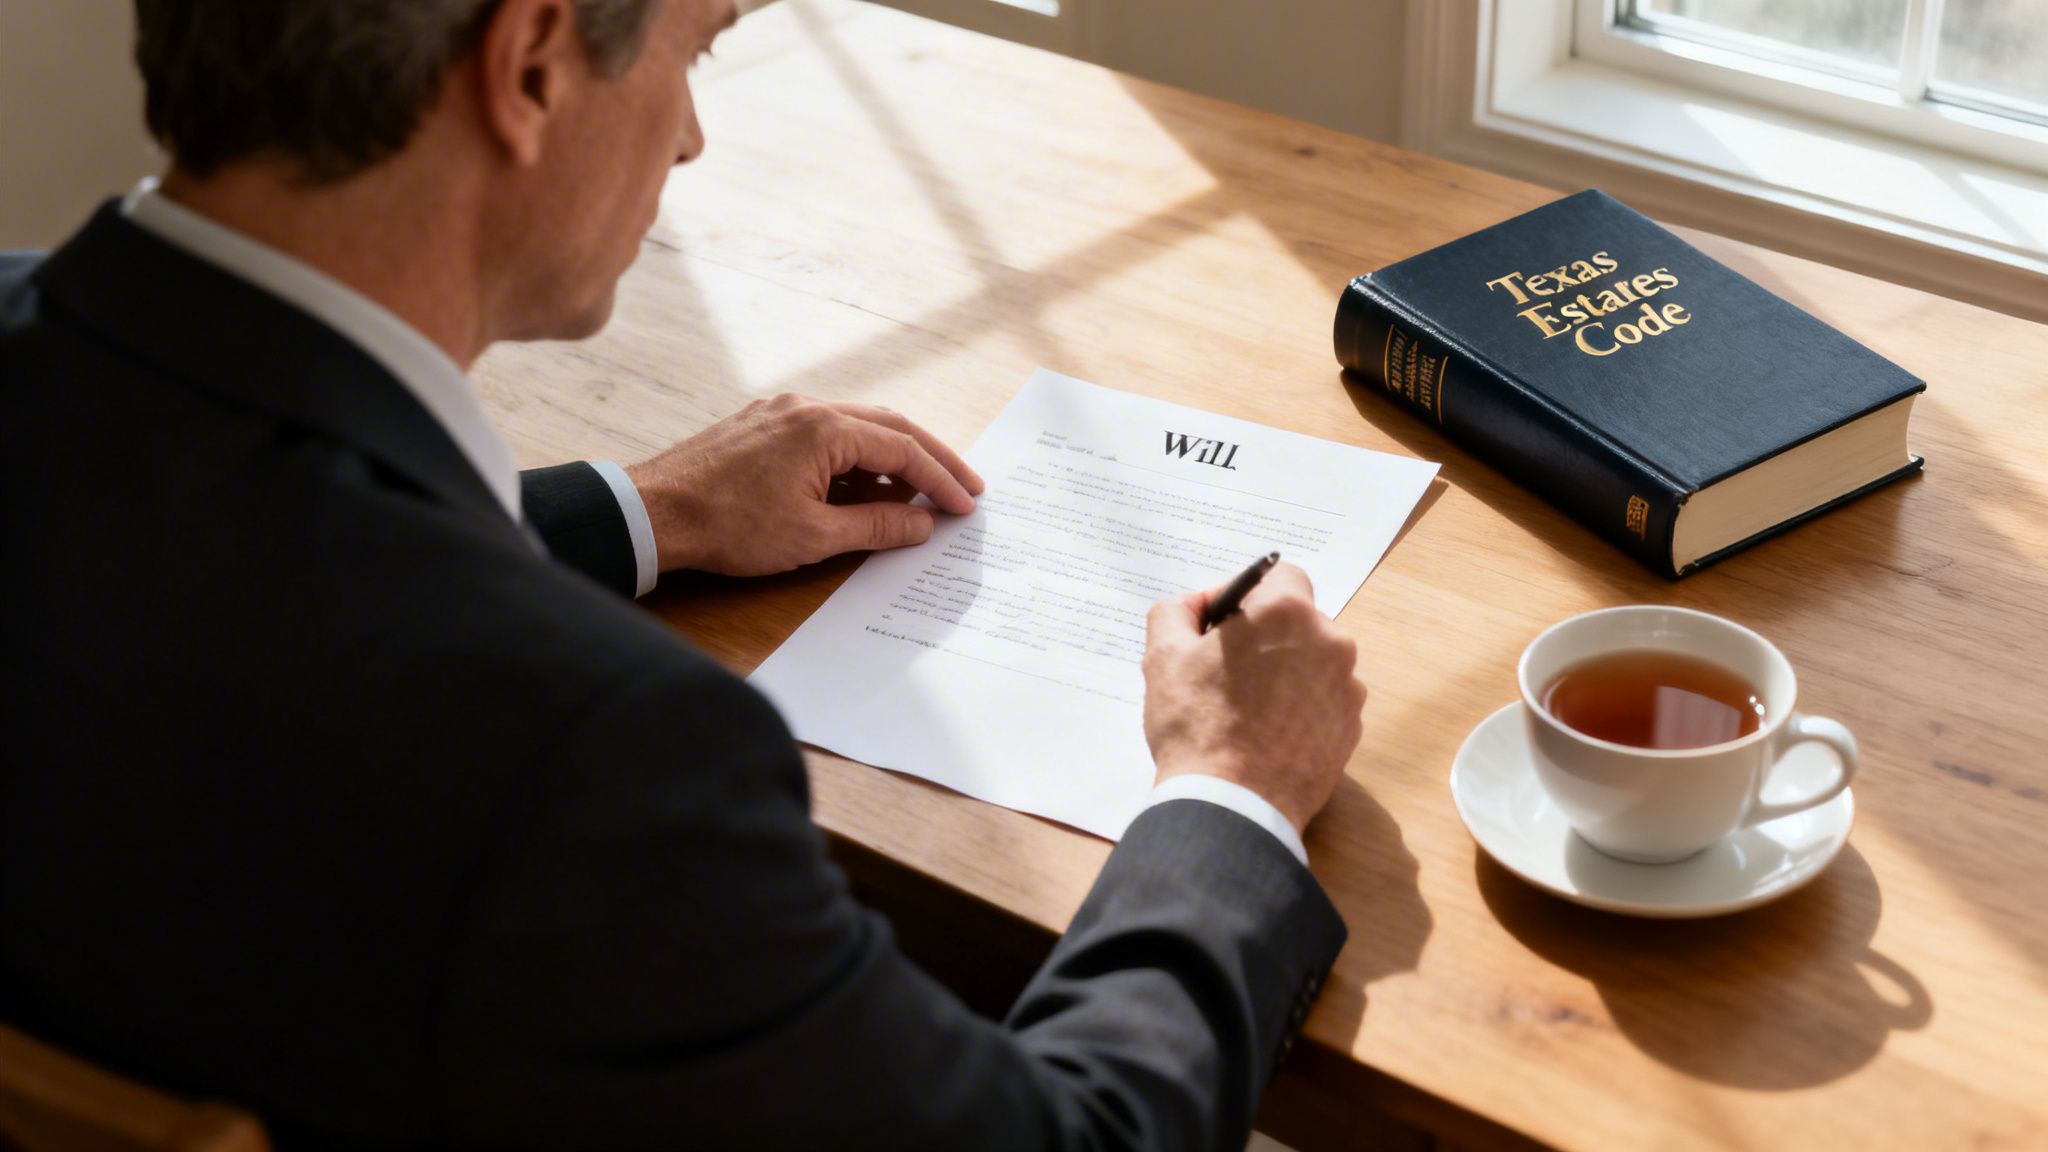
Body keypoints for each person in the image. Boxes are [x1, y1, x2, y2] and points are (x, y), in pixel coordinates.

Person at [0, 0, 1368, 1148]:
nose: (696, 137)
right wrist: (1230, 788)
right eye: (696, 49)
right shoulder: (595, 765)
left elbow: (254, 553)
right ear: (530, 62)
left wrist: (641, 511)